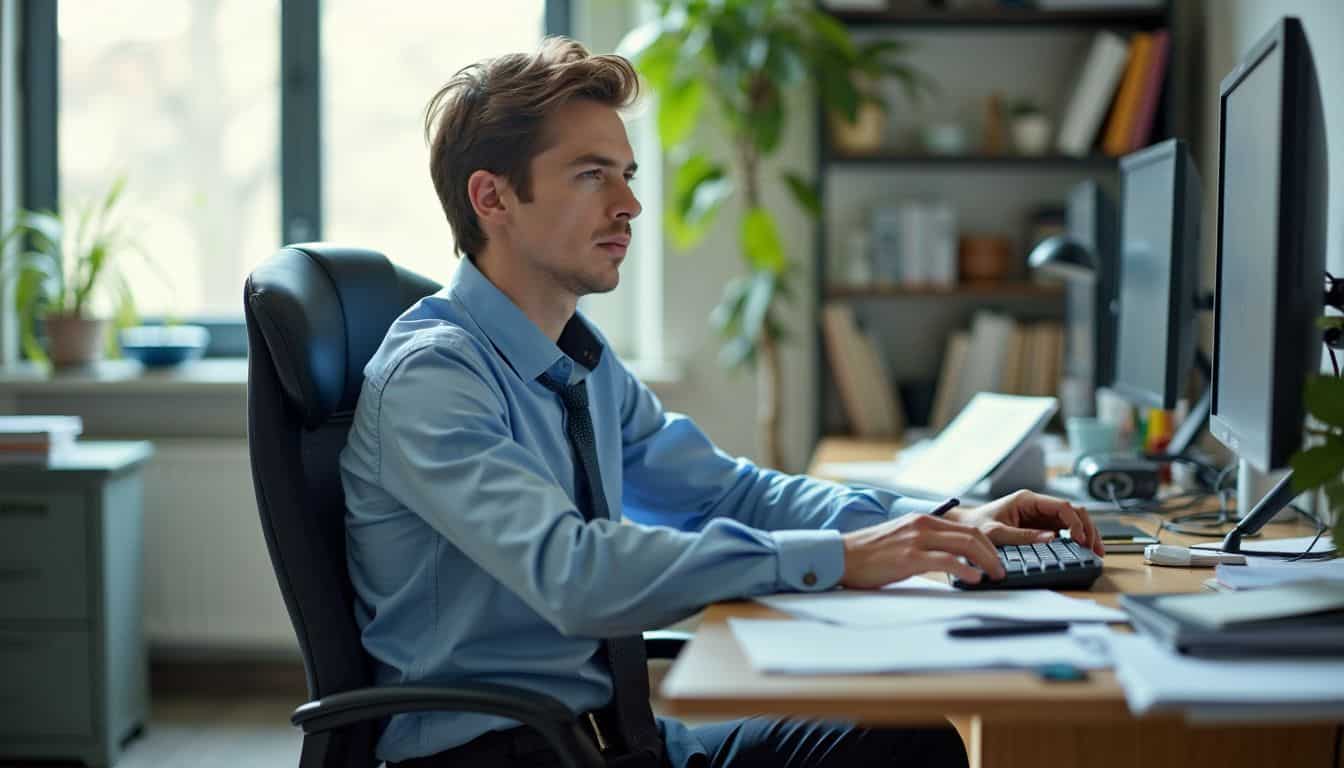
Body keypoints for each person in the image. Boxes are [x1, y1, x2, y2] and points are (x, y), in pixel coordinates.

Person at [339, 37, 1103, 768]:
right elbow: (575, 575)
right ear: (492, 197)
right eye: (591, 175)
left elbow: (729, 492)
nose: (631, 204)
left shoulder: (579, 359)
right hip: (504, 758)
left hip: (616, 740)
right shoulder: (436, 377)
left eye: (628, 174)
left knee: (905, 740)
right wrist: (839, 558)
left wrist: (944, 522)